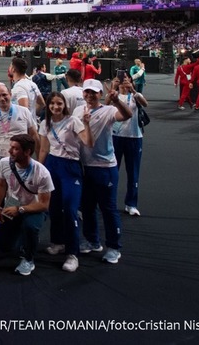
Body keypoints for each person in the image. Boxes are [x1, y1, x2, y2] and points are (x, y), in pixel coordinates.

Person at [75, 78, 131, 264]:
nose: (90, 95)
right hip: (85, 166)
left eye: (94, 92)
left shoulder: (108, 111)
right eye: (87, 92)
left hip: (105, 167)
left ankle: (114, 247)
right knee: (88, 207)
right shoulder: (78, 110)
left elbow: (127, 114)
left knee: (108, 208)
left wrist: (116, 100)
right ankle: (92, 240)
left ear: (100, 94)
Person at [39, 92, 93, 272]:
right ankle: (57, 241)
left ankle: (72, 253)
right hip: (52, 166)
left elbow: (88, 142)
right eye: (52, 103)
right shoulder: (45, 124)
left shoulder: (73, 122)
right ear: (48, 105)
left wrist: (86, 123)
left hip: (70, 168)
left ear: (64, 105)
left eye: (59, 103)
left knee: (70, 210)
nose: (55, 107)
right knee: (53, 207)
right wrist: (39, 171)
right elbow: (44, 149)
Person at [0, 134, 54, 276]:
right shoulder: (4, 163)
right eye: (10, 147)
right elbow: (1, 184)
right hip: (12, 205)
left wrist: (20, 210)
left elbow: (44, 205)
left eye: (15, 149)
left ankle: (28, 259)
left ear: (27, 152)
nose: (10, 151)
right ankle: (24, 237)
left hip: (34, 208)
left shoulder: (42, 173)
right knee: (5, 246)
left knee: (30, 227)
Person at [111, 77, 147, 217]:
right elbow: (105, 105)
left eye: (126, 80)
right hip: (116, 136)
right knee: (113, 171)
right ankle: (111, 202)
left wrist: (133, 91)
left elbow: (145, 104)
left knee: (133, 173)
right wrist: (113, 89)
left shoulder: (135, 95)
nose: (123, 82)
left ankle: (131, 204)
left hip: (134, 137)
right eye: (121, 79)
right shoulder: (114, 95)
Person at [0, 84, 38, 158]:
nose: (2, 98)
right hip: (0, 157)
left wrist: (36, 156)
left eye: (4, 95)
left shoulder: (24, 111)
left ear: (10, 94)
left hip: (21, 156)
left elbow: (33, 135)